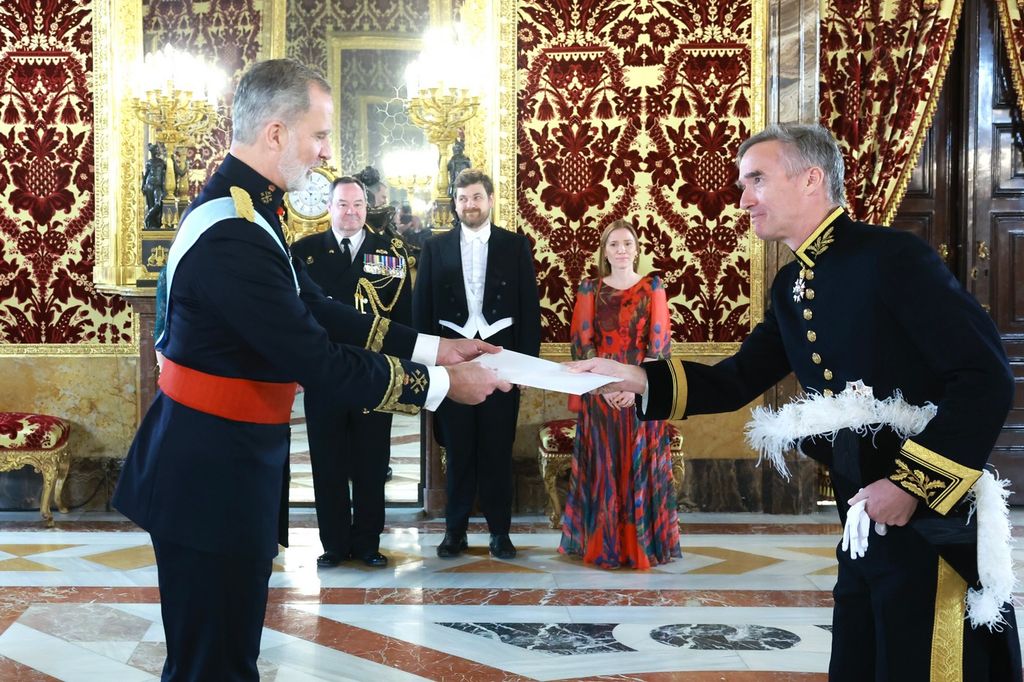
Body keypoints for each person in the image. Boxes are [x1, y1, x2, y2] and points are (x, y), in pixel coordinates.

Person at [569, 124, 1020, 681]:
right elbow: (736, 379)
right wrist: (636, 377)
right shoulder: (791, 285)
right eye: (741, 183)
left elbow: (985, 377)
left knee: (922, 661)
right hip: (860, 517)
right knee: (860, 658)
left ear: (812, 179)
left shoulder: (892, 257)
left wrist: (911, 485)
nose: (742, 199)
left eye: (756, 179)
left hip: (932, 519)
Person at [112, 59, 509, 681]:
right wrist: (442, 387)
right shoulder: (233, 232)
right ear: (275, 133)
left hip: (232, 459)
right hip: (207, 472)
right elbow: (314, 357)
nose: (327, 154)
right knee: (210, 663)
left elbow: (318, 310)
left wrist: (434, 348)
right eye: (319, 136)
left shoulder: (251, 211)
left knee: (230, 652)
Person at [413, 168, 542, 559]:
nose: (469, 205)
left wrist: (525, 368)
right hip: (452, 363)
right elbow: (422, 310)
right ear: (456, 203)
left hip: (501, 359)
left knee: (497, 450)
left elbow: (528, 310)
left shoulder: (515, 246)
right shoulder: (435, 248)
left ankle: (500, 532)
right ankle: (455, 531)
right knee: (458, 449)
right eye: (463, 199)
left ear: (489, 200)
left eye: (476, 197)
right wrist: (427, 366)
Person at [290, 176, 410, 568]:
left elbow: (402, 317)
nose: (351, 212)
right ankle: (335, 544)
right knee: (328, 462)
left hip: (374, 372)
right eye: (343, 204)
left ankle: (369, 543)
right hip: (325, 372)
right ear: (329, 207)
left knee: (372, 462)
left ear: (367, 207)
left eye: (358, 204)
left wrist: (403, 369)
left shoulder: (389, 252)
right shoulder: (304, 252)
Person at [559, 220, 680, 569]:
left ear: (637, 249)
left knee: (640, 466)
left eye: (627, 243)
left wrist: (635, 386)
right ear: (605, 251)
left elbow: (659, 345)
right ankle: (606, 545)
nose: (621, 249)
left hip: (641, 393)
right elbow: (582, 346)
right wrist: (605, 388)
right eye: (614, 244)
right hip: (600, 398)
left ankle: (641, 546)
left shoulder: (652, 286)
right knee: (605, 469)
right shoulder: (589, 289)